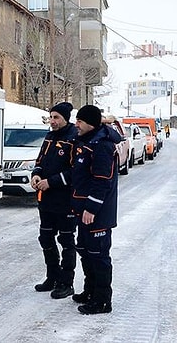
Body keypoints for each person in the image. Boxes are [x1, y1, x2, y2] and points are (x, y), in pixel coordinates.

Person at [70, 105, 121, 315]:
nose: (76, 125)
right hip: (83, 211)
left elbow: (102, 182)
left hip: (97, 214)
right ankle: (90, 291)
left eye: (80, 122)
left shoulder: (102, 145)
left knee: (98, 256)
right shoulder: (87, 140)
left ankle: (102, 300)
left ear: (90, 123)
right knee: (85, 251)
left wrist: (91, 208)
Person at [30, 102, 78, 299]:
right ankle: (53, 276)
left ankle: (67, 282)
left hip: (65, 200)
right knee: (46, 238)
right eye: (51, 117)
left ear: (66, 118)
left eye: (56, 117)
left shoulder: (74, 137)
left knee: (66, 241)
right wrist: (36, 175)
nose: (52, 121)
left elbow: (75, 171)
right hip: (46, 200)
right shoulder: (49, 136)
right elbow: (40, 161)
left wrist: (52, 182)